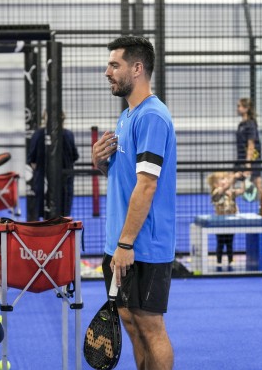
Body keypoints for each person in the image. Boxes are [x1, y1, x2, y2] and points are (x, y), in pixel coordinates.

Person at [92, 36, 176, 370]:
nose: (107, 71)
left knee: (150, 326)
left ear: (137, 69)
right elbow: (126, 176)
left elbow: (147, 185)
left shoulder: (152, 117)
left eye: (115, 65)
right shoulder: (127, 116)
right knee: (129, 320)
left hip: (143, 245)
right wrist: (100, 163)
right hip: (120, 243)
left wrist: (126, 243)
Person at [27, 110, 79, 219]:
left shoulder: (38, 134)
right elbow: (74, 157)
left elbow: (32, 160)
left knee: (46, 216)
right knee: (63, 215)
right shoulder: (68, 134)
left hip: (46, 183)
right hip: (63, 182)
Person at [206, 171, 244, 271]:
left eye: (226, 178)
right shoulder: (216, 192)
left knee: (230, 242)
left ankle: (230, 260)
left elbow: (242, 191)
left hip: (230, 222)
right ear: (215, 184)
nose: (225, 181)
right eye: (222, 179)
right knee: (220, 243)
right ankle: (219, 261)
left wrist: (244, 180)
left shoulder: (230, 192)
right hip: (220, 223)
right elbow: (222, 190)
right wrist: (234, 177)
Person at [235, 97, 262, 197]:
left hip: (252, 160)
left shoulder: (251, 124)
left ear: (246, 108)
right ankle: (230, 207)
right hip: (241, 158)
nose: (237, 108)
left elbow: (251, 145)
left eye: (239, 106)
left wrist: (248, 163)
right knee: (236, 183)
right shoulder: (241, 125)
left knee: (258, 185)